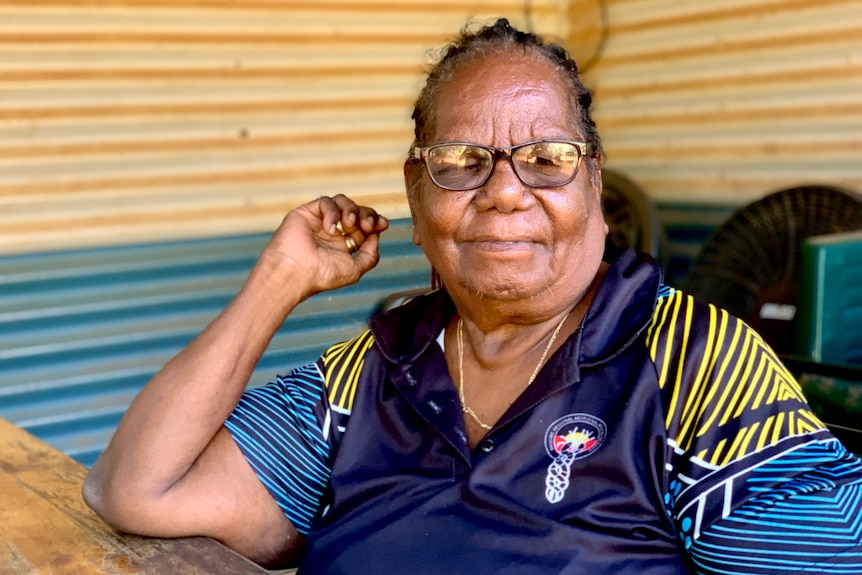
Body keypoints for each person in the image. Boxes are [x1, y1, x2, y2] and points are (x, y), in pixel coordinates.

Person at [84, 18, 862, 574]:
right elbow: (136, 488)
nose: (504, 193)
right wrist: (279, 279)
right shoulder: (369, 371)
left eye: (547, 158)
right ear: (415, 194)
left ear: (591, 182)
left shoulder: (695, 361)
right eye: (460, 160)